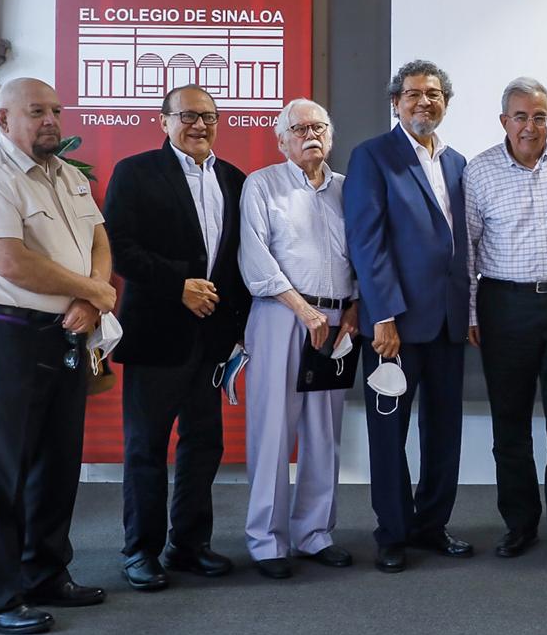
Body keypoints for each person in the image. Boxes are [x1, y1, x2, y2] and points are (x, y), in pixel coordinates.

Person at [0, 77, 115, 634]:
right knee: (1, 469)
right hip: (6, 334)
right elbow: (11, 261)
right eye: (36, 111)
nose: (51, 120)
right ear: (4, 120)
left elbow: (99, 240)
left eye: (55, 111)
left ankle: (45, 574)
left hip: (64, 333)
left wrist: (91, 298)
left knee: (57, 461)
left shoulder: (69, 176)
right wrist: (93, 292)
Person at [103, 84, 250, 591]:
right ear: (163, 121)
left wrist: (237, 330)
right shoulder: (136, 172)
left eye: (208, 116)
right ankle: (140, 551)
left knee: (204, 444)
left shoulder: (234, 179)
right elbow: (118, 247)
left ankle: (188, 544)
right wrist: (178, 285)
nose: (199, 125)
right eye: (187, 115)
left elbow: (237, 260)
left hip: (212, 339)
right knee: (146, 447)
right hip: (157, 334)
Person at [344, 59, 472, 573]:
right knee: (388, 433)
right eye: (414, 94)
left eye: (434, 94)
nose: (425, 102)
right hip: (393, 326)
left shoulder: (458, 162)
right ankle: (392, 533)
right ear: (396, 102)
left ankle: (431, 525)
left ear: (446, 102)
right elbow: (367, 242)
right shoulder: (372, 156)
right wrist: (383, 316)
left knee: (444, 431)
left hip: (447, 321)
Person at [465, 78, 547, 563]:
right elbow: (468, 249)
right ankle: (519, 524)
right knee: (510, 425)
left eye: (539, 117)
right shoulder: (479, 171)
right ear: (504, 121)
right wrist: (472, 311)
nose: (529, 126)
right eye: (520, 116)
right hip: (505, 307)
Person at [237, 98, 360, 579]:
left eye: (319, 127)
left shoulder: (348, 189)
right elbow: (255, 258)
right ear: (281, 140)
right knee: (273, 430)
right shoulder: (262, 184)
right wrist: (303, 310)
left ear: (331, 135)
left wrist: (354, 308)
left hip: (336, 321)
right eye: (300, 128)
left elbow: (362, 255)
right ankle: (267, 541)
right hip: (281, 314)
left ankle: (314, 534)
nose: (311, 135)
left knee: (324, 432)